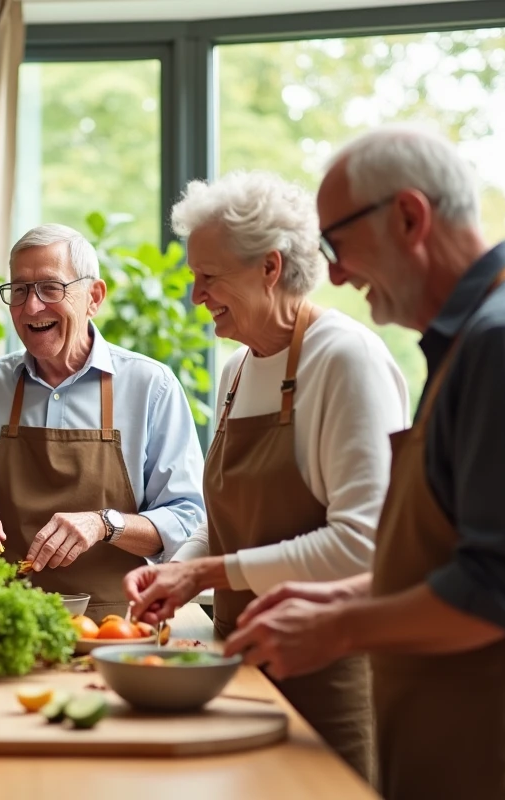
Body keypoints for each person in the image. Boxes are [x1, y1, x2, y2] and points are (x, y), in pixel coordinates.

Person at [223, 125, 505, 800]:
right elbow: (462, 560)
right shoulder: (479, 336)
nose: (335, 274)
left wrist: (337, 625)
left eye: (338, 244)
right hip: (482, 722)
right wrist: (343, 592)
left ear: (410, 216)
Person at [122, 170, 408, 782]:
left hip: (329, 675)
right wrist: (181, 566)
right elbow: (229, 527)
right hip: (238, 666)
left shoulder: (345, 360)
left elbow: (365, 545)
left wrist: (209, 570)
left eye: (209, 277)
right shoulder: (234, 370)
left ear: (270, 268)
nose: (196, 296)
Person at [0, 224, 206, 620]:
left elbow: (188, 518)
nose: (32, 307)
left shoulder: (149, 386)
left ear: (94, 297)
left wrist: (105, 524)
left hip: (113, 630)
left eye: (50, 288)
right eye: (19, 290)